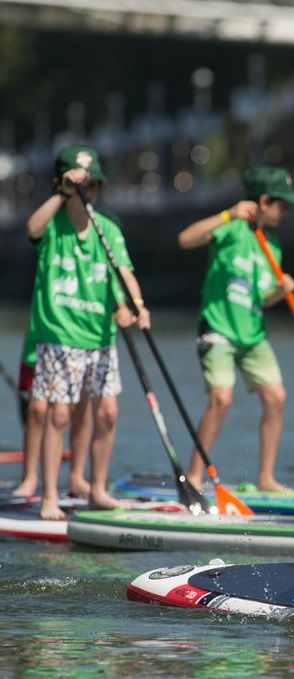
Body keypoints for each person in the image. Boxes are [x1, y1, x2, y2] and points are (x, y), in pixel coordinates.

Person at [26, 144, 150, 520]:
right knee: (59, 415)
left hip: (99, 337)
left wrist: (137, 306)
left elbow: (124, 271)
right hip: (59, 334)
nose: (87, 191)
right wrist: (61, 193)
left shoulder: (106, 227)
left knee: (108, 413)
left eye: (93, 185)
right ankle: (49, 495)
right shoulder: (52, 224)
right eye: (81, 185)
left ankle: (97, 489)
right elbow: (31, 229)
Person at [177, 165, 294, 493]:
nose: (287, 211)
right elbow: (185, 239)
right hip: (218, 328)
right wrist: (227, 215)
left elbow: (259, 299)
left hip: (252, 335)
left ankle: (266, 478)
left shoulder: (271, 247)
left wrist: (280, 292)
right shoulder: (231, 230)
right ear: (264, 201)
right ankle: (193, 475)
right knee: (221, 399)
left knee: (276, 396)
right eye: (283, 203)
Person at [11, 320, 92, 499]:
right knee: (38, 409)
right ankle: (30, 478)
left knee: (80, 406)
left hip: (83, 333)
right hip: (44, 336)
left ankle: (77, 477)